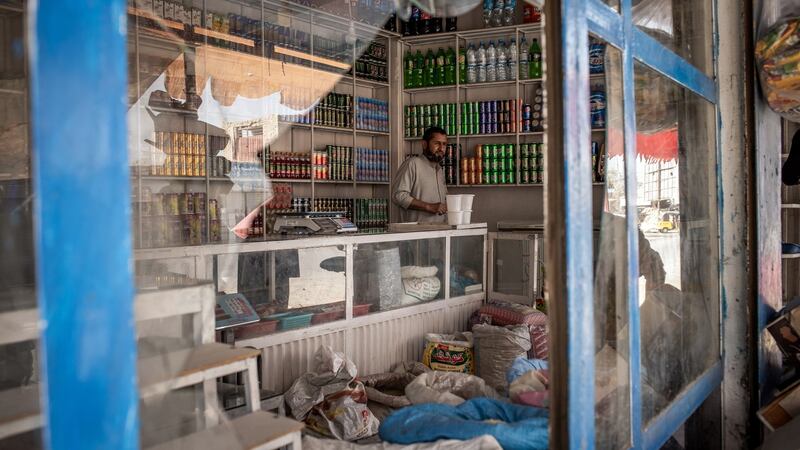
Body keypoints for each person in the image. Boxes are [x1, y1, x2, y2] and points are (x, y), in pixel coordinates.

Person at [392, 126, 449, 223]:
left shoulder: (439, 170)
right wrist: (429, 207)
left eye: (444, 144)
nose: (441, 148)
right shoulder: (412, 164)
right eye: (437, 143)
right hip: (416, 234)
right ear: (424, 144)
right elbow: (398, 196)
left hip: (439, 234)